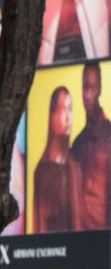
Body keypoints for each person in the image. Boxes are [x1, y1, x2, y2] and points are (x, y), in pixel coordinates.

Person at [31, 86, 80, 234]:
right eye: (62, 109)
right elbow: (38, 226)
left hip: (76, 252)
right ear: (52, 115)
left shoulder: (73, 165)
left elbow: (77, 224)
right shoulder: (41, 170)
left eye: (70, 109)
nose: (68, 117)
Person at [72, 63, 111, 231]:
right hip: (77, 238)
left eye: (92, 88)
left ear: (100, 89)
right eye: (84, 87)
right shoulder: (77, 143)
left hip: (103, 240)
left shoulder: (109, 135)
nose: (87, 95)